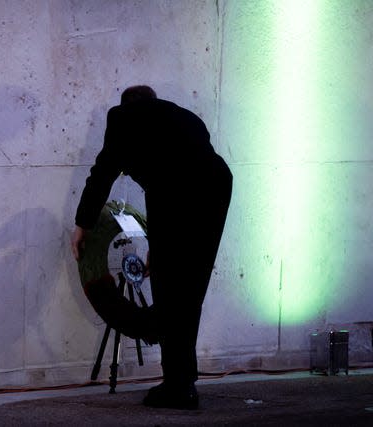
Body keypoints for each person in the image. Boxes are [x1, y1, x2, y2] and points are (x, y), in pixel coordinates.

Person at [71, 85, 232, 409]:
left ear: (127, 105)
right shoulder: (184, 117)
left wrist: (82, 224)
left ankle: (178, 385)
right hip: (216, 188)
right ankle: (183, 382)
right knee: (190, 288)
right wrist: (158, 249)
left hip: (177, 194)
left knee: (170, 288)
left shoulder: (122, 117)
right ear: (154, 101)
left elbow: (102, 173)